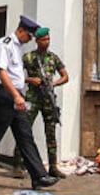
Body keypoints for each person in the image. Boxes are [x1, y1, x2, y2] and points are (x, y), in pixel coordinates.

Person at [0, 15, 58, 190]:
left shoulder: (18, 47)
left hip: (15, 95)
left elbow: (16, 75)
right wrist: (16, 95)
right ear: (21, 30)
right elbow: (2, 72)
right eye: (29, 35)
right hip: (4, 95)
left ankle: (39, 176)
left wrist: (21, 91)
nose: (30, 39)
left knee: (25, 136)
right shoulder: (5, 44)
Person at [19, 27, 68, 177]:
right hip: (33, 98)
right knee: (24, 129)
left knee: (51, 133)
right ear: (37, 41)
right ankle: (18, 164)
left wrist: (54, 84)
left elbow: (65, 76)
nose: (46, 42)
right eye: (43, 40)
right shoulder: (28, 58)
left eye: (48, 39)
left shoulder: (53, 58)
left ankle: (53, 166)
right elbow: (15, 74)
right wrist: (30, 80)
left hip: (48, 99)